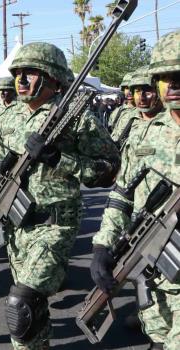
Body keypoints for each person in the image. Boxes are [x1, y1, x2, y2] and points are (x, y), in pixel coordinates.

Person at [0, 42, 120, 350]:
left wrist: (58, 158)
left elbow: (110, 169)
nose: (21, 80)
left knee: (21, 303)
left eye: (31, 72)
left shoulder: (76, 117)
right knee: (32, 310)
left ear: (53, 78)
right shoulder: (10, 115)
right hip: (17, 225)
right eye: (18, 73)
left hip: (56, 225)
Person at [90, 30, 180, 350]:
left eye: (179, 75)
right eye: (165, 76)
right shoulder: (144, 133)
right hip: (154, 261)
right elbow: (121, 196)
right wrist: (102, 244)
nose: (173, 84)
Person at [113, 65, 164, 150]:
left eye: (148, 90)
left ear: (159, 91)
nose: (142, 97)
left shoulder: (173, 122)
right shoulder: (128, 118)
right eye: (137, 91)